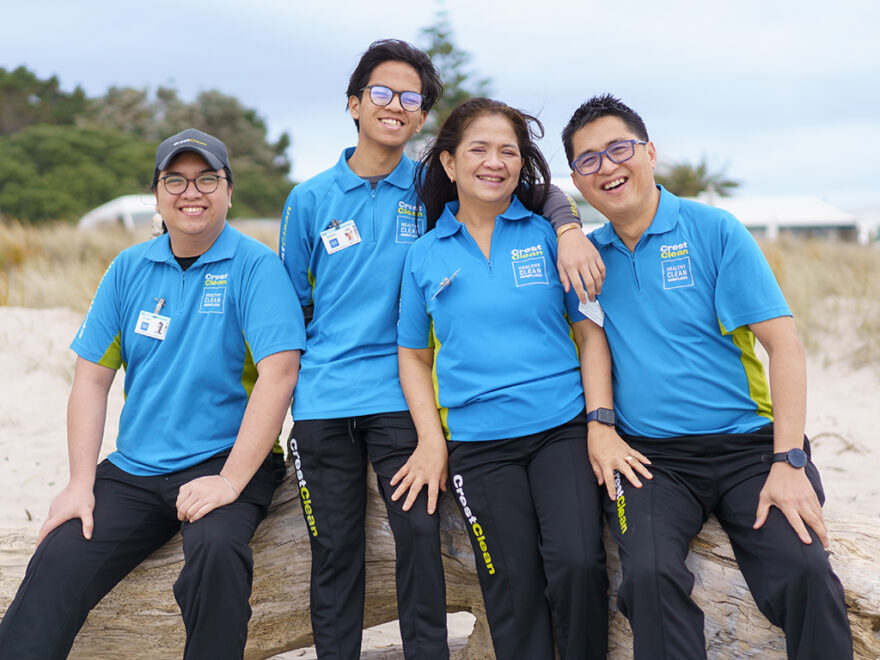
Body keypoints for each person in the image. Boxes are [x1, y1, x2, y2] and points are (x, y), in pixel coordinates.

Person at [278, 40, 605, 659]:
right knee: (336, 551)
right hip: (328, 398)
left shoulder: (426, 193)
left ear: (424, 117)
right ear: (354, 103)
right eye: (381, 92)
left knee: (424, 542)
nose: (395, 105)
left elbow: (526, 193)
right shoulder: (310, 199)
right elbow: (293, 306)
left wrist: (567, 225)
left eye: (411, 97)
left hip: (410, 404)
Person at [562, 94, 852, 660]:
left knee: (806, 573)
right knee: (644, 578)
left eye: (619, 149)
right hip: (651, 459)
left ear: (649, 152)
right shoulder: (586, 257)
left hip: (748, 447)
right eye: (588, 160)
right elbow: (592, 342)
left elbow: (784, 346)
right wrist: (601, 426)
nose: (607, 167)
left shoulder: (713, 230)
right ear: (575, 178)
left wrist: (788, 461)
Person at [0, 128, 305, 660]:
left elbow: (279, 376)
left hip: (226, 460)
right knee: (59, 555)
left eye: (207, 179)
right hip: (136, 468)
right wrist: (79, 482)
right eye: (176, 180)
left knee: (215, 552)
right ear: (158, 193)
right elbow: (92, 378)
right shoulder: (129, 268)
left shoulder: (257, 268)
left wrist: (230, 481)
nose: (192, 191)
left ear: (228, 190)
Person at [397, 97, 608, 660]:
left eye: (508, 151)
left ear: (522, 164)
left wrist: (599, 422)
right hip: (479, 446)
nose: (495, 162)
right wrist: (429, 439)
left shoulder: (549, 235)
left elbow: (590, 334)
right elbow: (413, 356)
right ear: (448, 163)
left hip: (561, 428)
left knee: (578, 563)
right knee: (510, 587)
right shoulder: (423, 255)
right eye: (479, 149)